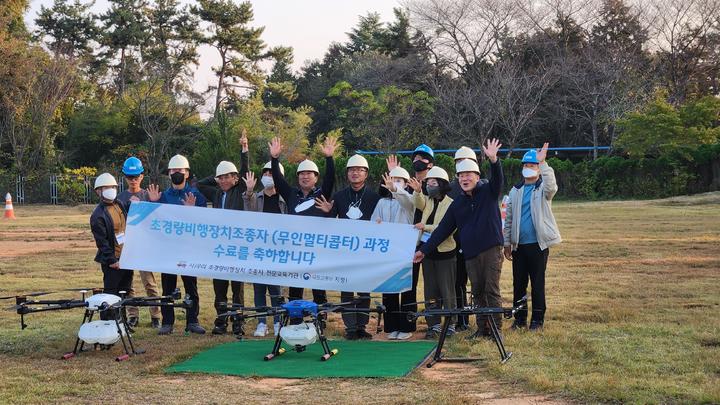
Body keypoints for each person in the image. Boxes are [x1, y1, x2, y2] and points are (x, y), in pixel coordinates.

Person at [413, 139, 504, 339]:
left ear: (477, 176)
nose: (464, 178)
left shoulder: (488, 191)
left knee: (491, 289)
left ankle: (496, 330)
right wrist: (423, 251)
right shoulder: (458, 203)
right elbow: (443, 230)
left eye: (468, 175)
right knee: (478, 291)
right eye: (461, 175)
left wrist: (494, 160)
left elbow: (498, 181)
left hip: (491, 249)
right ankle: (482, 329)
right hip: (471, 253)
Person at [197, 131, 256, 336]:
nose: (222, 180)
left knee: (237, 287)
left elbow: (245, 169)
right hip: (219, 246)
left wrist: (244, 150)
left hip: (237, 245)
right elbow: (199, 184)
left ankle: (238, 322)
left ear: (235, 178)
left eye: (226, 177)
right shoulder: (215, 192)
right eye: (220, 178)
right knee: (219, 286)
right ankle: (221, 320)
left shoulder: (239, 191)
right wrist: (216, 179)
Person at [268, 136, 338, 308]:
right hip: (296, 249)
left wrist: (329, 158)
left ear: (316, 177)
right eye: (302, 174)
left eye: (309, 174)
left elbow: (330, 178)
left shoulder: (321, 194)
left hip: (317, 249)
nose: (305, 177)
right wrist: (274, 159)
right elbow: (278, 179)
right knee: (295, 290)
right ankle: (295, 319)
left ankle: (320, 318)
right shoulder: (292, 194)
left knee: (319, 288)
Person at [320, 154, 380, 340]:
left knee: (363, 288)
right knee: (346, 287)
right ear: (347, 174)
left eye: (359, 170)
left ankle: (361, 326)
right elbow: (332, 223)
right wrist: (328, 213)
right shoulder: (339, 196)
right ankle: (350, 327)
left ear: (366, 174)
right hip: (345, 250)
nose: (355, 173)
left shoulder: (374, 196)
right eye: (352, 170)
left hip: (365, 250)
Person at [503, 143, 561, 331]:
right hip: (519, 246)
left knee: (537, 283)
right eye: (526, 165)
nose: (528, 169)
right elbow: (509, 218)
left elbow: (552, 186)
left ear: (538, 168)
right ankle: (519, 319)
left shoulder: (543, 188)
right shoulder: (515, 190)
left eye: (532, 165)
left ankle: (537, 320)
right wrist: (506, 243)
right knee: (518, 284)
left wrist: (543, 163)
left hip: (538, 244)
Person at [148, 154, 208, 335]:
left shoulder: (197, 196)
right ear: (169, 174)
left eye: (180, 171)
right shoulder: (162, 196)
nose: (177, 173)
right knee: (167, 286)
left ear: (187, 173)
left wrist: (193, 212)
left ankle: (192, 321)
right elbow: (152, 222)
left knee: (191, 286)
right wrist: (152, 204)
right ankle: (167, 322)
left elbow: (205, 223)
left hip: (189, 249)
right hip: (168, 250)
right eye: (173, 171)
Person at [408, 167, 457, 338]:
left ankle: (450, 325)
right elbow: (418, 202)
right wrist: (417, 191)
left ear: (442, 184)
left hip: (445, 253)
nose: (430, 186)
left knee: (447, 290)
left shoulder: (451, 204)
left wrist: (425, 227)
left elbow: (447, 228)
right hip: (427, 252)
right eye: (428, 183)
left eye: (433, 183)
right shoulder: (428, 201)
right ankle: (433, 325)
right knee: (430, 290)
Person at [243, 160, 288, 337]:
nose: (268, 176)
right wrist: (248, 190)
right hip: (259, 250)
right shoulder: (256, 197)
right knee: (259, 288)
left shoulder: (284, 199)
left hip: (278, 251)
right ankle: (262, 323)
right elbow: (248, 210)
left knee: (276, 289)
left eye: (272, 173)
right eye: (266, 173)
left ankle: (278, 322)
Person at [116, 156, 162, 328]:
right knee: (128, 284)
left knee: (149, 282)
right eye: (129, 177)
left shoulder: (148, 195)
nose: (133, 180)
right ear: (125, 177)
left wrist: (147, 205)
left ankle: (156, 315)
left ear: (142, 176)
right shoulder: (120, 198)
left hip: (145, 245)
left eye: (136, 177)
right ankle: (132, 315)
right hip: (127, 245)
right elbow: (118, 223)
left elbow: (156, 220)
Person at [372, 165, 414, 340]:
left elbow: (407, 202)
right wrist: (378, 224)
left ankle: (407, 325)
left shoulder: (409, 199)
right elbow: (373, 222)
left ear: (406, 183)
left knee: (406, 288)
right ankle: (391, 326)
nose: (393, 183)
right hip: (387, 250)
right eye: (391, 180)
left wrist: (396, 189)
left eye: (399, 180)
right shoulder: (382, 202)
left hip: (405, 249)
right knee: (389, 288)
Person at [90, 173, 133, 321]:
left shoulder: (119, 204)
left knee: (124, 292)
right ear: (98, 191)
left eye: (113, 187)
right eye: (106, 187)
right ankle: (108, 322)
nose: (111, 190)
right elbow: (102, 242)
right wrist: (112, 260)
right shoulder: (98, 215)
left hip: (126, 257)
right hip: (113, 262)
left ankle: (122, 322)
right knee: (111, 293)